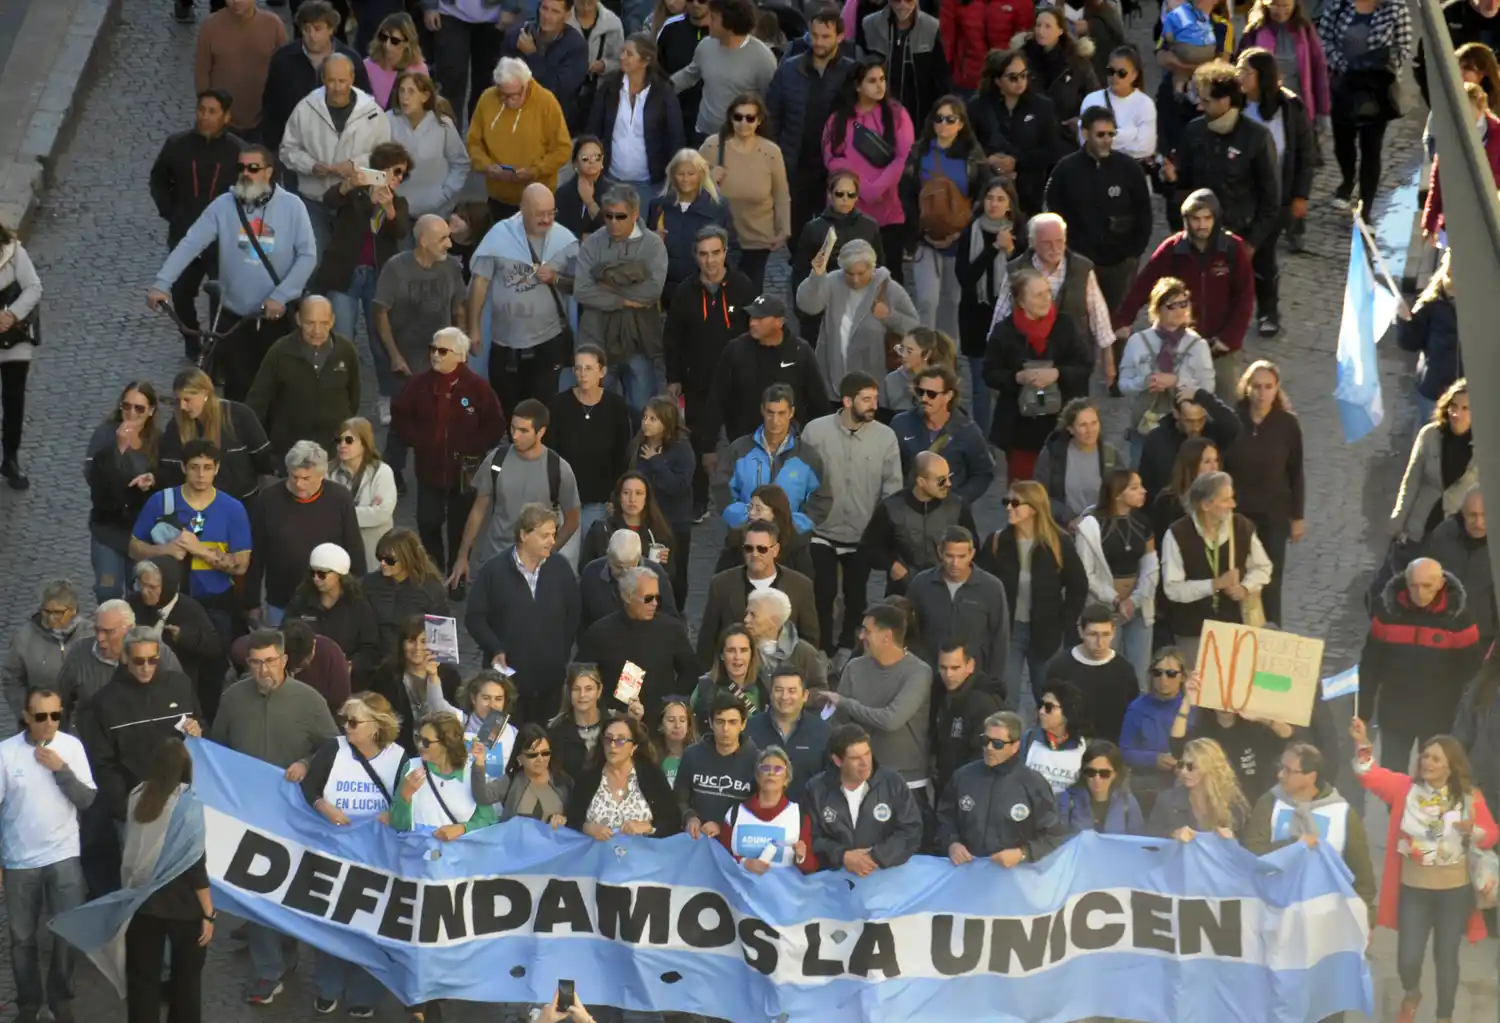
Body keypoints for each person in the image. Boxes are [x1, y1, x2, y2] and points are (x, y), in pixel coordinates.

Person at [211, 628, 339, 1004]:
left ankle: (287, 951)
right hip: (248, 815)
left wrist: (306, 763)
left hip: (295, 818)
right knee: (255, 893)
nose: (263, 670)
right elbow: (218, 749)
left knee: (290, 891)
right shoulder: (233, 699)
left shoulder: (309, 701)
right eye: (255, 663)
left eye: (269, 661)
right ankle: (267, 971)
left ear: (284, 660)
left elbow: (333, 748)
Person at [1350, 716, 1497, 1023]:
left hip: (1454, 891)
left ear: (1450, 767)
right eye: (1425, 756)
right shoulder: (1405, 789)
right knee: (1408, 957)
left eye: (1435, 758)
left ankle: (1444, 1017)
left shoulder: (1469, 797)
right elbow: (1369, 775)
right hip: (1413, 889)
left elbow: (1491, 835)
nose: (1427, 762)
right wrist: (1362, 742)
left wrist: (1473, 831)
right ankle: (1412, 991)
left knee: (1446, 958)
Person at [156, 142, 317, 406]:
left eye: (253, 168)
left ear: (268, 171)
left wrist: (281, 296)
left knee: (281, 391)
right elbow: (190, 243)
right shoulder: (223, 206)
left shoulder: (292, 206)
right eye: (240, 168)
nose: (245, 173)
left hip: (277, 317)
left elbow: (308, 256)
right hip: (234, 319)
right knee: (237, 391)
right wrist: (162, 283)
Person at [297, 691, 406, 1016]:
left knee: (371, 927)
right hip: (333, 855)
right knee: (331, 923)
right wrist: (323, 806)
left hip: (378, 860)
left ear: (376, 726)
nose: (346, 726)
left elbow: (410, 803)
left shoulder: (400, 758)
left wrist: (394, 813)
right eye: (344, 719)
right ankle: (327, 987)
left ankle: (364, 994)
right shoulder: (333, 749)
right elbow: (310, 787)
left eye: (354, 722)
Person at [0, 688, 95, 1023]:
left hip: (64, 855)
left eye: (56, 715)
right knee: (22, 938)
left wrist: (61, 770)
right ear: (26, 717)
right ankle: (28, 1004)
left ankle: (60, 999)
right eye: (41, 716)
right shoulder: (6, 753)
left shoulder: (71, 747)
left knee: (66, 932)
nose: (50, 722)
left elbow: (86, 800)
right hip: (19, 860)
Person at [1112, 189, 1255, 403]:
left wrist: (1229, 338)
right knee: (1177, 404)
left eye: (1207, 218)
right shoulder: (1172, 249)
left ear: (1216, 218)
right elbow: (1144, 283)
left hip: (1220, 347)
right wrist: (1123, 319)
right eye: (1196, 219)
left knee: (1223, 404)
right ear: (1186, 220)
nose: (1201, 225)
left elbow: (1245, 297)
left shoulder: (1232, 249)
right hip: (1180, 345)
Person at [801, 372, 903, 659]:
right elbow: (800, 476)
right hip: (821, 530)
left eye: (875, 398)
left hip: (863, 534)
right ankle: (822, 649)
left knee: (856, 598)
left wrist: (882, 532)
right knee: (822, 593)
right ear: (847, 401)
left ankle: (848, 647)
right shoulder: (815, 432)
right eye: (866, 399)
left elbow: (892, 488)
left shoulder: (885, 438)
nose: (874, 405)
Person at [309, 143, 413, 420]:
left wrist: (388, 208)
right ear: (380, 169)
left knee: (381, 340)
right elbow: (329, 201)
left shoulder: (399, 202)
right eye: (395, 171)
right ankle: (340, 396)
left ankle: (387, 395)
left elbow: (400, 231)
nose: (398, 178)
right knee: (342, 339)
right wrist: (350, 186)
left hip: (378, 278)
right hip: (346, 274)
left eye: (403, 174)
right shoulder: (356, 194)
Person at [116, 740, 212, 1023]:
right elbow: (196, 865)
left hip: (142, 901)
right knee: (186, 982)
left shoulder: (137, 796)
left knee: (142, 980)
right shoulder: (189, 804)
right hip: (184, 906)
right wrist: (209, 913)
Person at [1359, 556, 1484, 774]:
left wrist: (1465, 719)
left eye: (1427, 586)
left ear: (1441, 583)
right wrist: (1363, 712)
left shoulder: (1460, 620)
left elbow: (1471, 673)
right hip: (1395, 712)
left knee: (1432, 776)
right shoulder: (1387, 615)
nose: (1420, 593)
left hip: (1439, 715)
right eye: (1414, 586)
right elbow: (1370, 666)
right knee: (1392, 775)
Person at [149, 92, 245, 361]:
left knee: (222, 298)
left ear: (226, 116)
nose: (205, 116)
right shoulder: (176, 145)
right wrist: (171, 212)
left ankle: (217, 349)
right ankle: (192, 341)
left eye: (212, 111)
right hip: (184, 234)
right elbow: (158, 181)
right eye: (202, 110)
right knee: (180, 294)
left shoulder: (238, 152)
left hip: (223, 242)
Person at [978, 480, 1088, 716]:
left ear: (1035, 508)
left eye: (1015, 503)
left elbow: (1078, 585)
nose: (1008, 507)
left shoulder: (1058, 543)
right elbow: (981, 585)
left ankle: (1046, 739)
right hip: (1008, 631)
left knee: (1048, 699)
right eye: (1006, 501)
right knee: (1006, 699)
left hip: (1046, 631)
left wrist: (1064, 622)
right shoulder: (997, 541)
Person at [465, 503, 582, 725]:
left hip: (549, 682)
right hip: (504, 686)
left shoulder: (560, 567)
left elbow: (573, 613)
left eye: (553, 534)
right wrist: (495, 647)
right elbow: (474, 617)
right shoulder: (493, 571)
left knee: (542, 741)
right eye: (545, 535)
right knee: (497, 740)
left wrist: (561, 651)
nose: (552, 541)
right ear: (523, 535)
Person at [466, 186, 580, 410]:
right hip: (505, 342)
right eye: (539, 214)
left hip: (548, 340)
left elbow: (581, 285)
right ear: (522, 209)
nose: (546, 219)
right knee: (507, 405)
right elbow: (480, 282)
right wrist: (474, 328)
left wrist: (556, 278)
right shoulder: (500, 236)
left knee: (544, 406)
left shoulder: (565, 241)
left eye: (551, 213)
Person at [449, 399, 584, 584]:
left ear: (541, 432)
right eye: (512, 428)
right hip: (495, 557)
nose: (515, 436)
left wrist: (548, 552)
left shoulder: (558, 469)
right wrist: (462, 557)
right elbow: (478, 511)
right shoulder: (496, 460)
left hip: (535, 566)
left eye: (523, 431)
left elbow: (573, 519)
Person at [983, 268, 1095, 481]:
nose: (1046, 299)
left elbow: (1085, 366)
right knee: (1023, 488)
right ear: (1021, 302)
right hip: (1021, 428)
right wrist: (1018, 378)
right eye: (1038, 295)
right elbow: (989, 373)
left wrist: (1057, 373)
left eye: (1047, 293)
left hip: (1062, 424)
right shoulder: (1004, 332)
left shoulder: (1065, 325)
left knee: (1061, 485)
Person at [127, 440, 252, 628]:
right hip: (168, 599)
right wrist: (164, 550)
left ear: (217, 469)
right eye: (194, 467)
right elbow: (133, 548)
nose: (201, 474)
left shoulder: (233, 509)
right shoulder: (161, 501)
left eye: (207, 467)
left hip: (215, 601)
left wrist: (200, 550)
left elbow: (241, 566)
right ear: (183, 467)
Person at [1243, 739, 1380, 911]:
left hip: (1324, 915)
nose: (1280, 775)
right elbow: (1251, 853)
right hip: (1274, 911)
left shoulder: (1342, 812)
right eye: (1281, 767)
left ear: (1311, 777)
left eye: (1289, 771)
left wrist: (1364, 915)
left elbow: (1361, 875)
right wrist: (1294, 846)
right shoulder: (1269, 803)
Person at [1043, 105, 1152, 320]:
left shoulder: (1129, 168)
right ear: (1085, 134)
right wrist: (1067, 254)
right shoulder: (1066, 170)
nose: (1107, 140)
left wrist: (1133, 254)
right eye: (1100, 135)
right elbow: (1051, 213)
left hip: (1120, 265)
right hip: (1078, 264)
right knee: (1077, 323)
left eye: (1111, 134)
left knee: (1117, 323)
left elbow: (1144, 213)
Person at [699, 295, 830, 470]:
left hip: (789, 449)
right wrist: (708, 447)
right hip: (744, 448)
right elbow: (717, 399)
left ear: (779, 322)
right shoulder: (735, 350)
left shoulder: (800, 352)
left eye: (760, 319)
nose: (753, 323)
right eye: (752, 318)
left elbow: (818, 401)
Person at [279, 54, 393, 252]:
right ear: (323, 79)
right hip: (314, 200)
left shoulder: (373, 113)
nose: (337, 87)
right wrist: (311, 166)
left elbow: (386, 156)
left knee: (347, 261)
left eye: (342, 81)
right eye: (331, 81)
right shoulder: (305, 109)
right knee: (314, 257)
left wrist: (355, 165)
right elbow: (287, 150)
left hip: (355, 202)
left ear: (352, 78)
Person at [897, 98, 988, 343]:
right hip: (924, 238)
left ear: (961, 124)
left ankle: (948, 356)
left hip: (960, 239)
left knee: (952, 301)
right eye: (939, 118)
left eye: (950, 119)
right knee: (927, 300)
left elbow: (983, 196)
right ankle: (923, 353)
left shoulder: (972, 155)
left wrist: (963, 232)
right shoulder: (920, 152)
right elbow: (906, 193)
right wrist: (920, 231)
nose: (944, 124)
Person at [573, 185, 670, 416]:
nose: (613, 222)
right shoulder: (593, 243)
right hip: (597, 339)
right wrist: (624, 301)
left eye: (620, 216)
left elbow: (652, 291)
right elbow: (582, 290)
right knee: (597, 411)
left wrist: (606, 285)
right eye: (608, 216)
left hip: (639, 341)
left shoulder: (653, 245)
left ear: (635, 215)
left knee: (641, 410)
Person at [246, 441, 368, 624]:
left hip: (328, 602)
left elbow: (354, 549)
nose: (299, 484)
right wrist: (251, 603)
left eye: (306, 478)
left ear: (321, 475)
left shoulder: (340, 498)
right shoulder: (269, 499)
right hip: (281, 600)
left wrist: (357, 596)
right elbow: (256, 554)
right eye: (294, 477)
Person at [1236, 48, 1315, 328]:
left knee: (1263, 254)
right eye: (1238, 69)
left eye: (1246, 71)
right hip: (1238, 195)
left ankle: (1268, 312)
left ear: (1262, 76)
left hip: (1275, 197)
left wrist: (1300, 194)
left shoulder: (1289, 107)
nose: (1240, 76)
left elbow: (1306, 153)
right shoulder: (1234, 102)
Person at [1223, 360, 1305, 627]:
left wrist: (1297, 516)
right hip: (1237, 514)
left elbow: (1296, 472)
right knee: (1236, 575)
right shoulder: (1232, 421)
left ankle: (1270, 630)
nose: (1262, 393)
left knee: (1271, 578)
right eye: (1256, 386)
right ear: (1246, 387)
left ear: (1277, 388)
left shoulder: (1287, 425)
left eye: (1268, 387)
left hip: (1274, 514)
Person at [821, 59, 916, 286]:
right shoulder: (838, 119)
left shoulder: (897, 114)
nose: (880, 85)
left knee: (889, 275)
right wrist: (863, 188)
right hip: (850, 209)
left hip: (889, 209)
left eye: (882, 79)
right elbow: (833, 160)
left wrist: (877, 188)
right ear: (857, 85)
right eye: (872, 80)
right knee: (850, 275)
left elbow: (904, 156)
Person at [1161, 471, 1272, 662]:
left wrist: (1245, 588)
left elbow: (1263, 567)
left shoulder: (1241, 527)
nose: (1233, 504)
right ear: (1206, 505)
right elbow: (1173, 589)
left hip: (1235, 627)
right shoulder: (1177, 534)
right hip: (1193, 631)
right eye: (1226, 500)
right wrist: (1214, 584)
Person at [825, 603, 933, 797]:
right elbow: (840, 723)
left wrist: (846, 703)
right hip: (860, 778)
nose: (861, 637)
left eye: (867, 631)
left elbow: (891, 720)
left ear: (887, 637)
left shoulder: (919, 672)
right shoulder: (854, 668)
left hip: (906, 781)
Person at [1317, 0, 1412, 217]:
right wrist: (1346, 66)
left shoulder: (1396, 7)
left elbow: (1403, 48)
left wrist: (1373, 67)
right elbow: (1324, 40)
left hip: (1377, 89)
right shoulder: (1338, 5)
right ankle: (1347, 181)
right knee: (1343, 142)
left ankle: (1365, 206)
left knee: (1371, 147)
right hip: (1343, 84)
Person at [938, 708, 1067, 864]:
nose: (989, 747)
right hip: (968, 870)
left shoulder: (1033, 784)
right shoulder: (963, 777)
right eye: (985, 740)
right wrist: (952, 843)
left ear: (1015, 746)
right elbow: (945, 819)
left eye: (997, 744)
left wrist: (1023, 853)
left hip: (1014, 873)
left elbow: (1054, 835)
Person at [767, 7, 854, 231]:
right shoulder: (789, 69)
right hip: (796, 165)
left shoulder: (852, 73)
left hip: (835, 166)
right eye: (814, 35)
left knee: (835, 232)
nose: (818, 42)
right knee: (795, 232)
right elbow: (772, 116)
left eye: (826, 36)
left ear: (840, 37)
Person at [243, 295, 362, 459]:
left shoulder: (346, 350)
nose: (317, 331)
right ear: (298, 319)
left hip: (334, 450)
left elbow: (354, 396)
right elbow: (258, 400)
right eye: (310, 323)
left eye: (324, 323)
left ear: (333, 321)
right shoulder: (280, 352)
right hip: (289, 452)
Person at [695, 95, 790, 294]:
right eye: (738, 117)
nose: (743, 123)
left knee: (750, 294)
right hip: (719, 237)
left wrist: (783, 229)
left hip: (757, 236)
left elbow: (781, 194)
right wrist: (708, 178)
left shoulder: (771, 152)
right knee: (718, 293)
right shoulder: (712, 147)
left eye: (750, 118)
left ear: (759, 120)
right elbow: (688, 185)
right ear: (730, 118)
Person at [800, 237, 921, 392]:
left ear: (872, 268)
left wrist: (890, 316)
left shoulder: (890, 289)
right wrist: (816, 277)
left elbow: (915, 329)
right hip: (834, 375)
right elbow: (810, 306)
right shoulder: (833, 282)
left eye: (861, 273)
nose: (855, 280)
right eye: (849, 273)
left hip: (874, 378)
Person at [1118, 278, 1215, 465]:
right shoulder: (1137, 342)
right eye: (1172, 306)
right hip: (1145, 425)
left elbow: (1208, 387)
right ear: (1157, 308)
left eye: (1183, 304)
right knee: (1141, 472)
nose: (1180, 310)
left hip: (1184, 427)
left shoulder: (1198, 345)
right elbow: (1123, 384)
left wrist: (1177, 381)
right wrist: (1144, 382)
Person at [577, 567, 699, 715]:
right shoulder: (600, 633)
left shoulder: (671, 629)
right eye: (648, 598)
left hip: (660, 720)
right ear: (627, 597)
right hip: (615, 721)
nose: (654, 603)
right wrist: (603, 709)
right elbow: (580, 674)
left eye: (657, 598)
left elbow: (690, 670)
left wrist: (673, 702)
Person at [1073, 473, 1157, 688]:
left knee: (1139, 675)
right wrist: (1115, 599)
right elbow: (1086, 572)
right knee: (1104, 674)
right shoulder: (1092, 525)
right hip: (1104, 607)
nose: (1143, 491)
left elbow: (1151, 565)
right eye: (1134, 488)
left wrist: (1136, 599)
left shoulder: (1142, 522)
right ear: (1118, 494)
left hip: (1138, 605)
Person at [804, 723, 922, 874]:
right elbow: (809, 837)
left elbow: (911, 830)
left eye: (867, 754)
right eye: (855, 758)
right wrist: (843, 856)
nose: (865, 763)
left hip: (883, 877)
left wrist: (874, 857)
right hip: (835, 881)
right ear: (838, 761)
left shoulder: (893, 783)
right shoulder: (816, 790)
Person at [698, 518, 820, 663]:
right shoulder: (721, 584)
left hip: (784, 670)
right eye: (749, 548)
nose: (755, 554)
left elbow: (809, 638)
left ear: (775, 550)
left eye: (762, 549)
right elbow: (708, 638)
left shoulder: (799, 586)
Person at [260, 1, 374, 155]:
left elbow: (365, 105)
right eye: (307, 29)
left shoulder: (351, 60)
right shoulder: (283, 60)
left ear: (331, 29)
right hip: (292, 150)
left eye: (318, 29)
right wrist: (274, 147)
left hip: (339, 151)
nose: (312, 36)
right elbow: (271, 107)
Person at [548, 345, 633, 548]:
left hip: (600, 499)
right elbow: (550, 452)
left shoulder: (616, 406)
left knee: (593, 553)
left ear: (602, 371)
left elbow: (622, 454)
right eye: (578, 368)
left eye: (588, 368)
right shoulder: (559, 405)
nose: (582, 374)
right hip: (565, 498)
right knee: (565, 556)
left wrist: (615, 495)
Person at [85, 383, 162, 604]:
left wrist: (152, 479)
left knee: (139, 592)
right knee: (107, 590)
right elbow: (94, 479)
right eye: (126, 406)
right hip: (108, 527)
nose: (131, 413)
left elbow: (167, 476)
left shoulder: (158, 439)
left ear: (151, 410)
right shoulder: (105, 434)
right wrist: (118, 450)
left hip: (143, 530)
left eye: (139, 408)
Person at [466, 59, 573, 219]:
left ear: (526, 85)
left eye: (513, 95)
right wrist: (486, 165)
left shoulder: (547, 103)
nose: (507, 100)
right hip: (498, 196)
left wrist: (535, 171)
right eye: (502, 94)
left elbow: (563, 149)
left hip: (537, 198)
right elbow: (474, 142)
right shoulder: (487, 99)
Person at [862, 451, 979, 596]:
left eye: (949, 477)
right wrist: (891, 565)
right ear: (921, 482)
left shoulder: (958, 506)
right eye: (941, 480)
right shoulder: (891, 507)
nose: (948, 484)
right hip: (904, 591)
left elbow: (974, 547)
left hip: (947, 591)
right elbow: (869, 547)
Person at [790, 172, 886, 345]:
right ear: (830, 194)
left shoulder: (869, 227)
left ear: (857, 197)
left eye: (851, 194)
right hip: (823, 305)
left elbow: (879, 267)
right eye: (840, 194)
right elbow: (800, 270)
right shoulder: (814, 229)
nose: (845, 199)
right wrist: (803, 309)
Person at [157, 368, 275, 509]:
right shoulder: (176, 425)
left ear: (205, 393)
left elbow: (263, 457)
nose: (182, 406)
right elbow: (170, 467)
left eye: (187, 400)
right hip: (197, 506)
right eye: (178, 400)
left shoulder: (240, 416)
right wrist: (154, 478)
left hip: (242, 503)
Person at [584, 33, 684, 195]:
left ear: (645, 61)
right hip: (610, 178)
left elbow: (675, 137)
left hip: (649, 183)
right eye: (622, 51)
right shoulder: (609, 88)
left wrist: (673, 178)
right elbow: (593, 129)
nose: (622, 57)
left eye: (629, 54)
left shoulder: (663, 92)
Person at [907, 526, 1010, 681]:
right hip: (930, 675)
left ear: (972, 554)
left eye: (962, 556)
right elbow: (909, 630)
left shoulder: (991, 587)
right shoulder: (922, 584)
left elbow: (1000, 637)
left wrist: (994, 681)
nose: (955, 563)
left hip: (975, 678)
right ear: (940, 552)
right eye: (950, 556)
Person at [126, 560, 223, 723]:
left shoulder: (190, 609)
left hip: (176, 687)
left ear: (167, 587)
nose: (144, 591)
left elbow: (214, 646)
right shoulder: (133, 603)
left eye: (152, 587)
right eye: (141, 584)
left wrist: (184, 637)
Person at [670, 0, 779, 141]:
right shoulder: (706, 46)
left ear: (729, 22)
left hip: (739, 139)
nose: (707, 22)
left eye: (713, 18)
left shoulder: (763, 58)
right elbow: (688, 76)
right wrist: (657, 90)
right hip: (703, 135)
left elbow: (770, 103)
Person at [891, 362, 993, 505]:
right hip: (909, 508)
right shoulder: (901, 424)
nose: (924, 398)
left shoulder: (967, 431)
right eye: (921, 392)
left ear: (948, 396)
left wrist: (960, 500)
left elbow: (983, 473)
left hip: (948, 511)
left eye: (931, 394)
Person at [567, 713, 682, 839]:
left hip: (643, 851)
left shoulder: (651, 775)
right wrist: (586, 827)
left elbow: (674, 820)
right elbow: (570, 819)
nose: (612, 745)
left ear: (634, 747)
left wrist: (649, 828)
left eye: (621, 740)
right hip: (598, 851)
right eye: (608, 739)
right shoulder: (588, 778)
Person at [282, 543, 382, 684]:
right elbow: (285, 635)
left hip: (348, 682)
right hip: (306, 678)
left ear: (339, 575)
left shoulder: (358, 606)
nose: (316, 578)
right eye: (312, 573)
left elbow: (371, 648)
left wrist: (352, 665)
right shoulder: (301, 602)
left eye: (322, 574)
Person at [629, 395, 696, 598]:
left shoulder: (681, 449)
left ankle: (676, 609)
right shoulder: (637, 445)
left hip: (674, 522)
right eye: (645, 417)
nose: (646, 423)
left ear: (666, 423)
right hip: (646, 520)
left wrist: (656, 462)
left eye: (653, 419)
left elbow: (679, 486)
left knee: (675, 572)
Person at [1391, 378, 1474, 543]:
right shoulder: (1429, 435)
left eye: (1465, 408)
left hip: (1459, 537)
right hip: (1420, 527)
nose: (1456, 414)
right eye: (1453, 406)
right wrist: (1397, 519)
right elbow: (1411, 482)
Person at [713, 744, 818, 871]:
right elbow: (720, 856)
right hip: (741, 883)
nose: (771, 773)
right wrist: (744, 863)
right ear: (758, 776)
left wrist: (802, 857)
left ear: (786, 779)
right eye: (765, 768)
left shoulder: (799, 817)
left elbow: (811, 867)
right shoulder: (735, 814)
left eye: (778, 769)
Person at [194, 0, 288, 140]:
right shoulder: (210, 26)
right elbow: (202, 71)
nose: (236, 1)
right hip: (221, 122)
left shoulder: (273, 25)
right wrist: (208, 111)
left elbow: (285, 70)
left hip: (263, 121)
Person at [3, 582, 85, 734]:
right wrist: (28, 713)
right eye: (46, 612)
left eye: (58, 612)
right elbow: (12, 680)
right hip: (39, 725)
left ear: (73, 610)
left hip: (82, 725)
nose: (51, 618)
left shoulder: (90, 635)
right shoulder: (24, 639)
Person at [387, 72, 470, 219]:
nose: (405, 97)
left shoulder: (443, 125)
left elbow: (460, 163)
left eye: (411, 91)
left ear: (425, 96)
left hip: (436, 211)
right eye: (401, 91)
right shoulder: (387, 121)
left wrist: (446, 193)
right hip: (397, 210)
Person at [676, 692, 760, 837]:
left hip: (737, 841)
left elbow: (760, 809)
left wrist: (724, 827)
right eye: (720, 722)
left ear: (743, 724)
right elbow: (679, 798)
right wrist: (689, 817)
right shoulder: (692, 755)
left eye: (732, 722)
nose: (725, 729)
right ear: (711, 723)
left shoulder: (757, 760)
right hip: (697, 839)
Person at [499, 0, 589, 127]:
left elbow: (558, 90)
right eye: (545, 8)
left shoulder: (576, 47)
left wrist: (532, 56)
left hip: (553, 119)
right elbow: (499, 75)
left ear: (567, 14)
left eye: (555, 11)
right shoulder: (520, 35)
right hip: (514, 113)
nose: (547, 16)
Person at [931, 641, 1006, 794]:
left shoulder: (984, 703)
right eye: (943, 668)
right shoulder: (938, 690)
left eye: (955, 668)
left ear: (970, 666)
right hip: (946, 783)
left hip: (972, 788)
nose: (948, 675)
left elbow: (984, 754)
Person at [746, 668, 831, 804]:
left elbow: (829, 780)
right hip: (757, 812)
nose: (785, 697)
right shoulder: (749, 728)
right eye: (778, 690)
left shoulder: (823, 731)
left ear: (805, 695)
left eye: (792, 691)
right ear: (770, 693)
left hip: (807, 813)